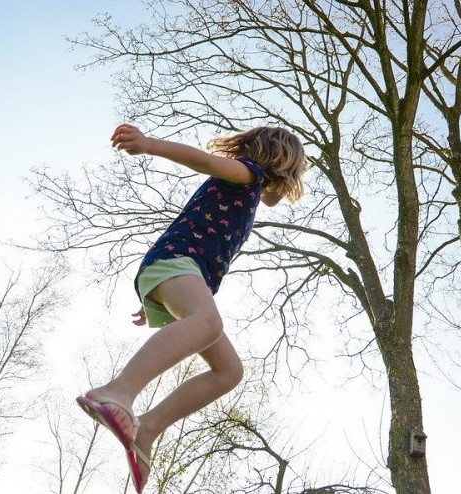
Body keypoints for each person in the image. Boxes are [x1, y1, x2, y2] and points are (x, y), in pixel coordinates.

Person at [76, 123, 308, 493]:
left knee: (229, 371)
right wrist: (149, 144)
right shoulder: (248, 172)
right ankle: (117, 391)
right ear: (279, 163)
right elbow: (202, 160)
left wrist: (157, 296)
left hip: (178, 272)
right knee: (207, 322)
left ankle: (147, 429)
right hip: (178, 262)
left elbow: (270, 198)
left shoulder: (249, 189)